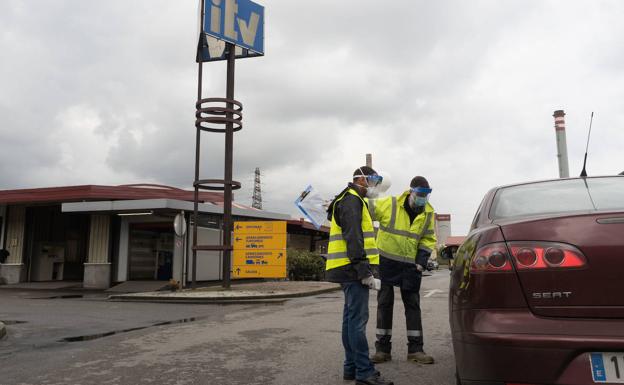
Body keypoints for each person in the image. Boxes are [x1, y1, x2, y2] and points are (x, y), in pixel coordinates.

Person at [325, 166, 393, 385]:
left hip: (347, 268)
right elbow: (354, 238)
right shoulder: (352, 200)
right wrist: (364, 272)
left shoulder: (349, 199)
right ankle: (364, 372)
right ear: (361, 180)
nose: (374, 187)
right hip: (352, 270)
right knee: (357, 322)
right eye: (373, 181)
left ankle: (351, 367)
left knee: (350, 320)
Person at [368, 176, 436, 364]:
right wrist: (369, 195)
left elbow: (428, 239)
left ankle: (415, 350)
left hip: (411, 266)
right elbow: (367, 211)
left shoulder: (428, 213)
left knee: (413, 306)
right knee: (384, 305)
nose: (423, 198)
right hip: (386, 262)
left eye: (426, 195)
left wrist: (421, 262)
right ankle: (382, 350)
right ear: (411, 191)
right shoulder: (391, 204)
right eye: (420, 194)